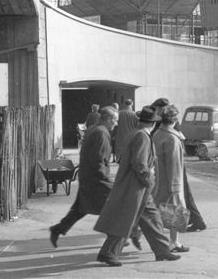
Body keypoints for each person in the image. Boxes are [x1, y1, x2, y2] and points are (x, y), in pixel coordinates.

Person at [94, 106, 181, 267]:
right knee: (126, 220)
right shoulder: (142, 136)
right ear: (154, 124)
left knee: (151, 218)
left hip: (137, 186)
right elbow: (139, 164)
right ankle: (108, 253)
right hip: (136, 186)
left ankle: (162, 250)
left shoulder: (137, 133)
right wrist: (150, 179)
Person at [49, 106, 122, 248]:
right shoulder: (101, 133)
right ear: (108, 119)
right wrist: (107, 180)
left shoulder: (94, 129)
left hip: (88, 177)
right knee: (111, 207)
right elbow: (99, 160)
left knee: (81, 209)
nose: (116, 124)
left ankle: (58, 229)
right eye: (115, 120)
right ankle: (115, 239)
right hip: (96, 180)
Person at [151, 97, 206, 232]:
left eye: (157, 109)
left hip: (173, 162)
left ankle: (192, 222)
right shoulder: (166, 120)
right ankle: (195, 220)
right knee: (182, 194)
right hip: (170, 162)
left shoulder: (167, 122)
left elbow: (176, 138)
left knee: (180, 193)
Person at [152, 104, 190, 252]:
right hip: (171, 181)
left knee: (161, 211)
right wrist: (175, 187)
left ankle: (173, 241)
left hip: (159, 179)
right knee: (175, 212)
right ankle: (173, 242)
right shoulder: (172, 139)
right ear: (175, 119)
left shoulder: (157, 134)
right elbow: (174, 164)